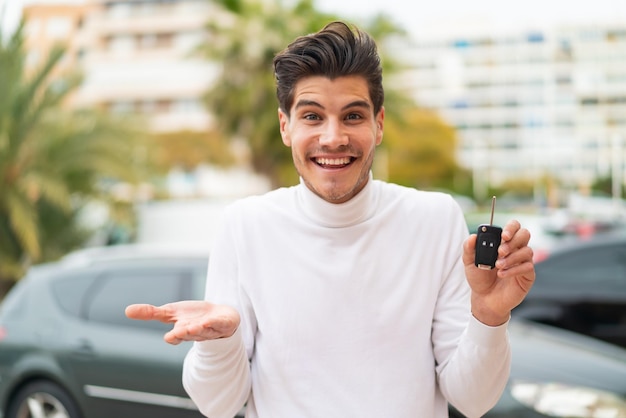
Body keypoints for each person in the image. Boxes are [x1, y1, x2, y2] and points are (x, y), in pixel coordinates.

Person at [126, 21, 535, 418]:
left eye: (353, 116)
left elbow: (474, 400)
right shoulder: (245, 225)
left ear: (379, 124)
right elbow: (217, 406)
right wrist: (220, 343)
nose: (333, 137)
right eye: (312, 116)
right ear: (286, 126)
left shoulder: (435, 218)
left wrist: (489, 315)